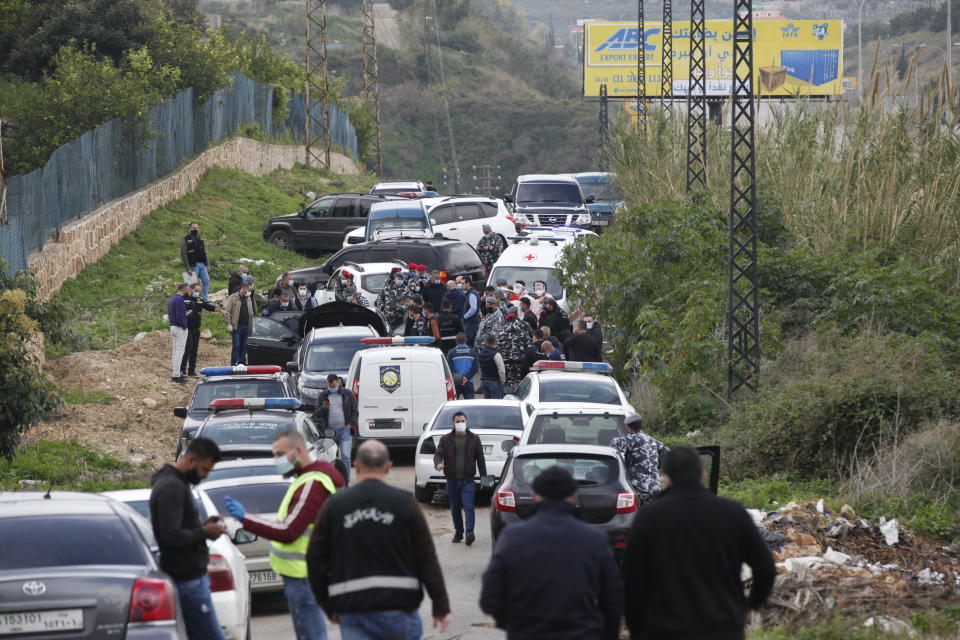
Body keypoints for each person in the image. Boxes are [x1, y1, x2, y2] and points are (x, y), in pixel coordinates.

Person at [623, 447, 776, 640]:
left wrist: (636, 628)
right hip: (722, 629)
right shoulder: (733, 513)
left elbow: (632, 582)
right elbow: (766, 568)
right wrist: (750, 604)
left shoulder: (648, 518)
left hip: (664, 629)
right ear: (703, 476)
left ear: (665, 478)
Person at [306, 440, 452, 639]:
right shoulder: (405, 503)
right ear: (389, 466)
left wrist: (328, 606)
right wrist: (440, 605)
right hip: (400, 607)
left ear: (356, 466)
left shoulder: (334, 506)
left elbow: (315, 558)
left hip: (353, 609)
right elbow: (426, 557)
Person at [224, 430, 344, 640]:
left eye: (280, 454)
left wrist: (246, 518)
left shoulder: (311, 484)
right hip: (299, 576)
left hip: (303, 576)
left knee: (311, 635)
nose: (277, 461)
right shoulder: (306, 480)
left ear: (297, 451)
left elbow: (288, 531)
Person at [480, 466, 623, 640]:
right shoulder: (595, 540)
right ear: (573, 497)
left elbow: (490, 598)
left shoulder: (513, 538)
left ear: (534, 496)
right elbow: (613, 600)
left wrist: (515, 624)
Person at [149, 437, 227, 640]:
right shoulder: (172, 487)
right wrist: (204, 532)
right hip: (188, 582)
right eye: (204, 470)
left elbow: (177, 529)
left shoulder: (175, 483)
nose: (205, 476)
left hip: (190, 579)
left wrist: (203, 526)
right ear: (192, 459)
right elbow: (170, 536)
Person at [433, 411, 486, 545]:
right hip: (452, 482)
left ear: (466, 421)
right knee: (455, 509)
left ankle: (469, 533)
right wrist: (438, 463)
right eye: (457, 421)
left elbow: (480, 460)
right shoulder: (445, 439)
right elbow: (438, 454)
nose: (460, 423)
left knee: (469, 507)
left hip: (468, 481)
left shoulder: (474, 438)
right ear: (453, 423)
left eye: (462, 421)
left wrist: (484, 477)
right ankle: (459, 532)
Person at [610, 414, 669, 505]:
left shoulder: (631, 439)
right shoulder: (653, 441)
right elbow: (668, 453)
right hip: (655, 487)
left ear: (629, 428)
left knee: (638, 516)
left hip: (639, 489)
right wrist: (656, 466)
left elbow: (613, 444)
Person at [313, 374, 358, 484]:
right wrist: (323, 408)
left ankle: (346, 481)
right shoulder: (323, 395)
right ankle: (334, 480)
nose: (332, 388)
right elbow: (316, 414)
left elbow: (355, 411)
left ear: (338, 382)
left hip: (345, 430)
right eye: (329, 386)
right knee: (332, 457)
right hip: (329, 432)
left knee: (346, 456)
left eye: (333, 386)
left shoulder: (348, 394)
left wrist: (351, 424)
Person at [181, 282, 220, 378]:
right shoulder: (183, 299)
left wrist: (219, 310)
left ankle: (191, 371)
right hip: (187, 328)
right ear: (190, 289)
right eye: (196, 290)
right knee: (187, 349)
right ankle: (182, 370)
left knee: (194, 350)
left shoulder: (199, 299)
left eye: (199, 291)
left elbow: (208, 306)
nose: (197, 292)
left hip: (196, 328)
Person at [224, 276, 256, 366]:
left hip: (247, 325)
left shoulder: (248, 298)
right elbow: (227, 311)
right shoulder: (233, 297)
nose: (249, 293)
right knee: (236, 345)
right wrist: (228, 324)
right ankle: (234, 363)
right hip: (236, 326)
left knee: (244, 346)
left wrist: (252, 323)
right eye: (248, 290)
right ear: (244, 288)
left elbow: (251, 311)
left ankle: (242, 361)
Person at [497, 309, 533, 386]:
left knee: (507, 384)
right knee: (521, 384)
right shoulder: (523, 333)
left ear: (506, 320)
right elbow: (530, 347)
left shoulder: (501, 334)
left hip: (506, 363)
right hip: (520, 362)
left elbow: (497, 350)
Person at [180, 221, 210, 300]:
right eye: (194, 228)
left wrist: (207, 264)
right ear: (190, 228)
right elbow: (184, 254)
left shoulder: (199, 238)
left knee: (206, 281)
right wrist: (187, 268)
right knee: (192, 284)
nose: (195, 229)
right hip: (193, 265)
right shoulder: (185, 239)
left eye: (197, 228)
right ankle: (191, 299)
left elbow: (204, 252)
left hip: (202, 264)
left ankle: (205, 299)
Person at [168, 283, 190, 383]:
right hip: (179, 327)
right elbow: (180, 315)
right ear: (184, 289)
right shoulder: (180, 299)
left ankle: (175, 372)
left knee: (175, 350)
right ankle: (176, 375)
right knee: (180, 351)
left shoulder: (173, 299)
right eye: (188, 289)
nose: (188, 291)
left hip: (173, 326)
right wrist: (184, 326)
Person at [447, 333, 479, 399]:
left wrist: (458, 378)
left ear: (456, 341)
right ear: (466, 340)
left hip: (455, 382)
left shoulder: (451, 352)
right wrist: (467, 378)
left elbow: (449, 368)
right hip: (468, 381)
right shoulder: (472, 352)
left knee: (454, 404)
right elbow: (476, 367)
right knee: (470, 405)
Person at [376, 267, 407, 331]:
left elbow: (411, 301)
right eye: (398, 279)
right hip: (389, 318)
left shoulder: (406, 289)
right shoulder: (387, 289)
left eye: (401, 279)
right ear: (395, 278)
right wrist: (383, 307)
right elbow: (379, 300)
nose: (400, 280)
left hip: (402, 318)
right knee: (389, 336)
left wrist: (405, 306)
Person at [478, 335, 506, 399]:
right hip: (494, 381)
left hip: (484, 381)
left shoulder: (480, 354)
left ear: (486, 342)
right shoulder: (496, 354)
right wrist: (503, 380)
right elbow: (501, 370)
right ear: (495, 342)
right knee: (496, 404)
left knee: (488, 404)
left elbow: (480, 368)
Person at [461, 276, 482, 345]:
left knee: (470, 342)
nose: (461, 285)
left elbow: (473, 308)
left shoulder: (472, 293)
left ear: (468, 283)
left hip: (471, 323)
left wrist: (465, 316)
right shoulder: (472, 293)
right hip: (473, 322)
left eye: (463, 283)